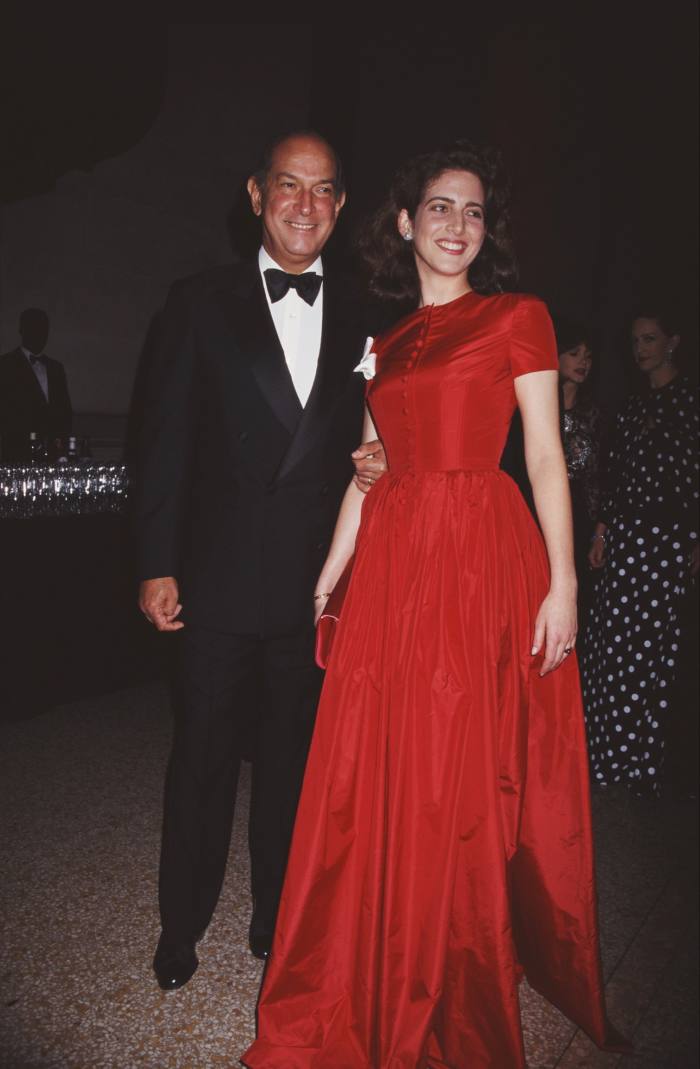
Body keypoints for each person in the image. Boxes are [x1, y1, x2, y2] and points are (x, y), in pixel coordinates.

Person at [243, 142, 627, 1068]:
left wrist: (564, 581)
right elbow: (369, 474)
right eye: (441, 208)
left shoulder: (517, 317)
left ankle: (454, 961)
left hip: (478, 554)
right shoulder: (387, 343)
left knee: (459, 767)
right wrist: (332, 570)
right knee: (379, 766)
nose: (459, 225)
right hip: (396, 564)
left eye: (476, 212)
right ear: (407, 223)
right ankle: (374, 946)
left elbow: (543, 456)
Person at [132, 131, 385, 990]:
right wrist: (156, 560)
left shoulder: (364, 312)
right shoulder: (198, 302)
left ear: (341, 206)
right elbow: (161, 441)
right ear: (255, 194)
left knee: (292, 767)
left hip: (314, 587)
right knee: (199, 758)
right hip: (215, 578)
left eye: (322, 190)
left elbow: (384, 432)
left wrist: (385, 458)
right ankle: (182, 920)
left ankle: (277, 914)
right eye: (288, 185)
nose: (304, 204)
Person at [583, 308, 698, 796]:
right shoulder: (630, 406)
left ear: (672, 342)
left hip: (669, 541)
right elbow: (615, 474)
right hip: (626, 540)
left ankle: (643, 769)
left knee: (652, 655)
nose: (641, 348)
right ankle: (605, 762)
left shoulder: (690, 400)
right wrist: (602, 532)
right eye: (635, 341)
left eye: (649, 339)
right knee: (610, 648)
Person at [555, 317, 605, 627]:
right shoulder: (535, 407)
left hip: (582, 519)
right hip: (540, 511)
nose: (583, 362)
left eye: (588, 356)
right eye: (575, 353)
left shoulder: (597, 412)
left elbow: (603, 475)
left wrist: (600, 530)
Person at [0, 308, 72, 462]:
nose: (40, 333)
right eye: (34, 327)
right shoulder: (5, 365)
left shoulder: (56, 368)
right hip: (18, 453)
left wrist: (62, 447)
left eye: (44, 328)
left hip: (53, 453)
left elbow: (64, 410)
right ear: (22, 330)